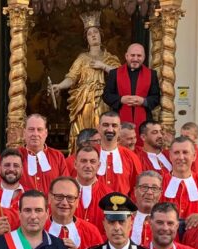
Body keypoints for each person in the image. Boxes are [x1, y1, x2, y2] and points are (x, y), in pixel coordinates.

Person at [49, 11, 120, 153]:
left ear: (101, 35)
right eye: (89, 34)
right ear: (86, 39)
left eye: (95, 32)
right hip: (84, 101)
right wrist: (59, 86)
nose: (93, 35)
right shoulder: (82, 58)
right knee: (83, 132)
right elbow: (72, 77)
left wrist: (103, 66)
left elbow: (120, 75)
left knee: (101, 128)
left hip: (102, 100)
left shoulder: (110, 58)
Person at [102, 43, 160, 140]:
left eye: (139, 56)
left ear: (144, 57)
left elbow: (156, 97)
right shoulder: (114, 73)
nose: (135, 59)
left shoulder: (151, 74)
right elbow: (106, 95)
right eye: (132, 55)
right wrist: (121, 99)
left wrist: (143, 101)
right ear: (126, 56)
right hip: (119, 119)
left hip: (144, 122)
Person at [162, 135, 198, 220]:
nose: (181, 157)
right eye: (176, 153)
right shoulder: (159, 183)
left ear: (194, 156)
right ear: (170, 156)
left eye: (185, 152)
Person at [95, 111, 143, 197]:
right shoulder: (88, 155)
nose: (110, 129)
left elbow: (137, 188)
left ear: (120, 129)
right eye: (106, 125)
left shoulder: (131, 157)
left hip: (122, 209)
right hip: (94, 209)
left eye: (114, 125)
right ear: (98, 128)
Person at [18, 114, 69, 194]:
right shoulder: (15, 156)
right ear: (24, 133)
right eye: (31, 129)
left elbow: (66, 186)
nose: (35, 134)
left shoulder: (58, 157)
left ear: (46, 133)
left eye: (39, 130)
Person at [73, 143, 111, 233]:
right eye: (83, 161)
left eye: (92, 161)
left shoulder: (108, 195)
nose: (88, 166)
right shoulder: (63, 193)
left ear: (98, 166)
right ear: (75, 164)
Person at [131, 171, 163, 247]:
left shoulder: (166, 222)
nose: (149, 192)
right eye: (144, 187)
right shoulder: (124, 219)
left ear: (160, 194)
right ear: (135, 191)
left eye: (154, 188)